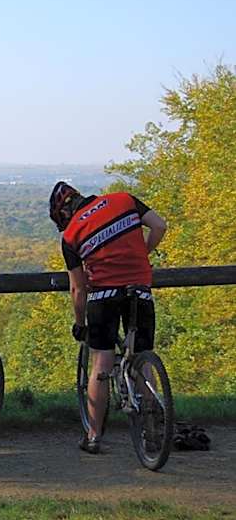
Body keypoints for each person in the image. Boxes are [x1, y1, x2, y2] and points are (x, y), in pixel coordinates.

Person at [49, 182, 167, 454]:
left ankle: (93, 436)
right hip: (140, 288)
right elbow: (160, 226)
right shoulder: (124, 200)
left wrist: (80, 324)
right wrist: (142, 256)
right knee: (143, 356)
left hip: (103, 296)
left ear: (64, 213)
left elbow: (78, 289)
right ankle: (152, 431)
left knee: (101, 363)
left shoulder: (70, 236)